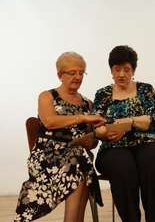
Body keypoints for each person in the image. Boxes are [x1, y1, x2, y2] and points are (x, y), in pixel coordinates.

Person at [15, 52, 106, 222]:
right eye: (72, 73)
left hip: (77, 155)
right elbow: (49, 121)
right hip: (47, 157)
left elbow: (91, 143)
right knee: (81, 162)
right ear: (60, 75)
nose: (78, 77)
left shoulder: (88, 103)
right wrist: (83, 117)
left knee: (80, 157)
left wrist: (96, 136)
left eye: (81, 73)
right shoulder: (47, 96)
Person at [92, 45, 155, 222]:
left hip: (147, 143)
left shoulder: (146, 89)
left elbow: (153, 119)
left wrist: (127, 123)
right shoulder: (102, 94)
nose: (121, 74)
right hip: (113, 147)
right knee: (122, 166)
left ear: (133, 70)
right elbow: (97, 127)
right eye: (117, 69)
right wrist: (106, 133)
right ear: (111, 70)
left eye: (126, 70)